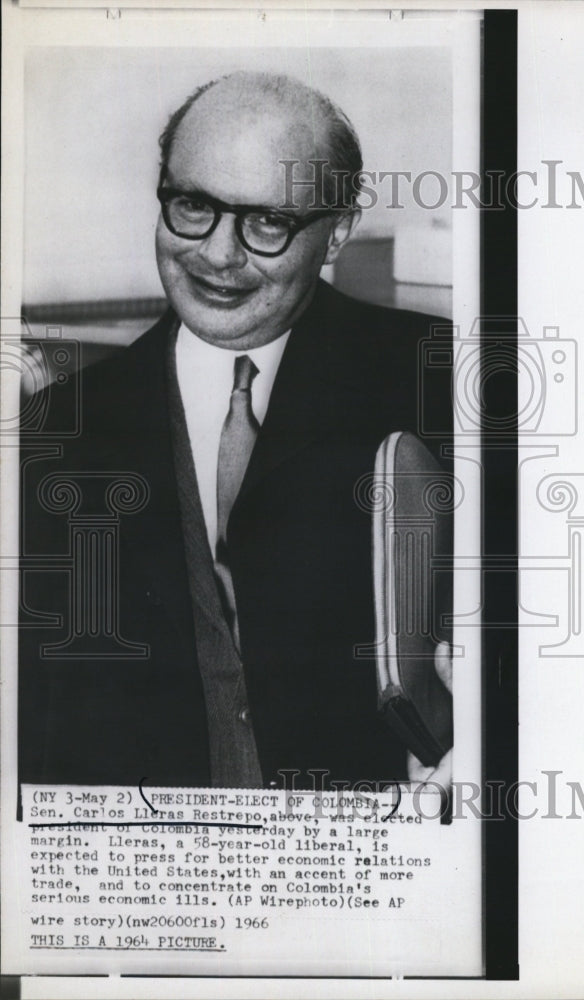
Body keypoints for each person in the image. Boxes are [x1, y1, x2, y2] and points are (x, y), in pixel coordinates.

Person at [19, 71, 452, 790]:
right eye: (193, 205)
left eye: (267, 222)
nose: (218, 254)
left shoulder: (442, 380)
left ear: (338, 229)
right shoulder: (57, 429)